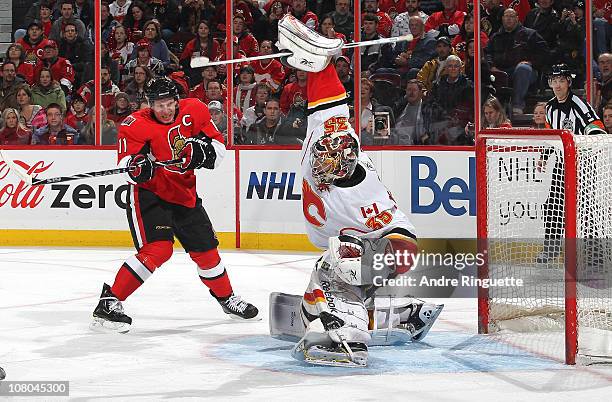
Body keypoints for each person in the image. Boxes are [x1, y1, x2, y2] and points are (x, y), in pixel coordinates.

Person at [273, 15, 443, 367]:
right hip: (364, 243)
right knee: (337, 264)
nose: (323, 164)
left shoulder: (358, 185)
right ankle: (394, 314)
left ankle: (347, 337)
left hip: (396, 245)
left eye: (332, 163)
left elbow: (390, 246)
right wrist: (317, 59)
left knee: (338, 262)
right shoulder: (326, 136)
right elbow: (329, 102)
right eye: (323, 157)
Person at [91, 78, 259, 333]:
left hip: (185, 194)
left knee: (207, 253)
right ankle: (109, 302)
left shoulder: (196, 110)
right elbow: (125, 164)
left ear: (177, 102)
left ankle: (227, 299)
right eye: (160, 105)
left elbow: (218, 148)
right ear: (150, 105)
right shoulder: (135, 125)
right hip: (151, 195)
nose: (166, 110)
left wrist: (203, 153)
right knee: (158, 250)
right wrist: (138, 168)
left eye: (170, 104)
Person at [537, 64, 606, 264]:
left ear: (569, 82)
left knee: (585, 209)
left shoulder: (579, 104)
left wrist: (594, 141)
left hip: (582, 164)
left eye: (561, 80)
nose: (557, 85)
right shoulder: (549, 107)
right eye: (554, 81)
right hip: (561, 164)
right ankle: (551, 250)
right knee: (552, 206)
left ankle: (595, 256)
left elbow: (595, 125)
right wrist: (545, 155)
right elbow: (552, 135)